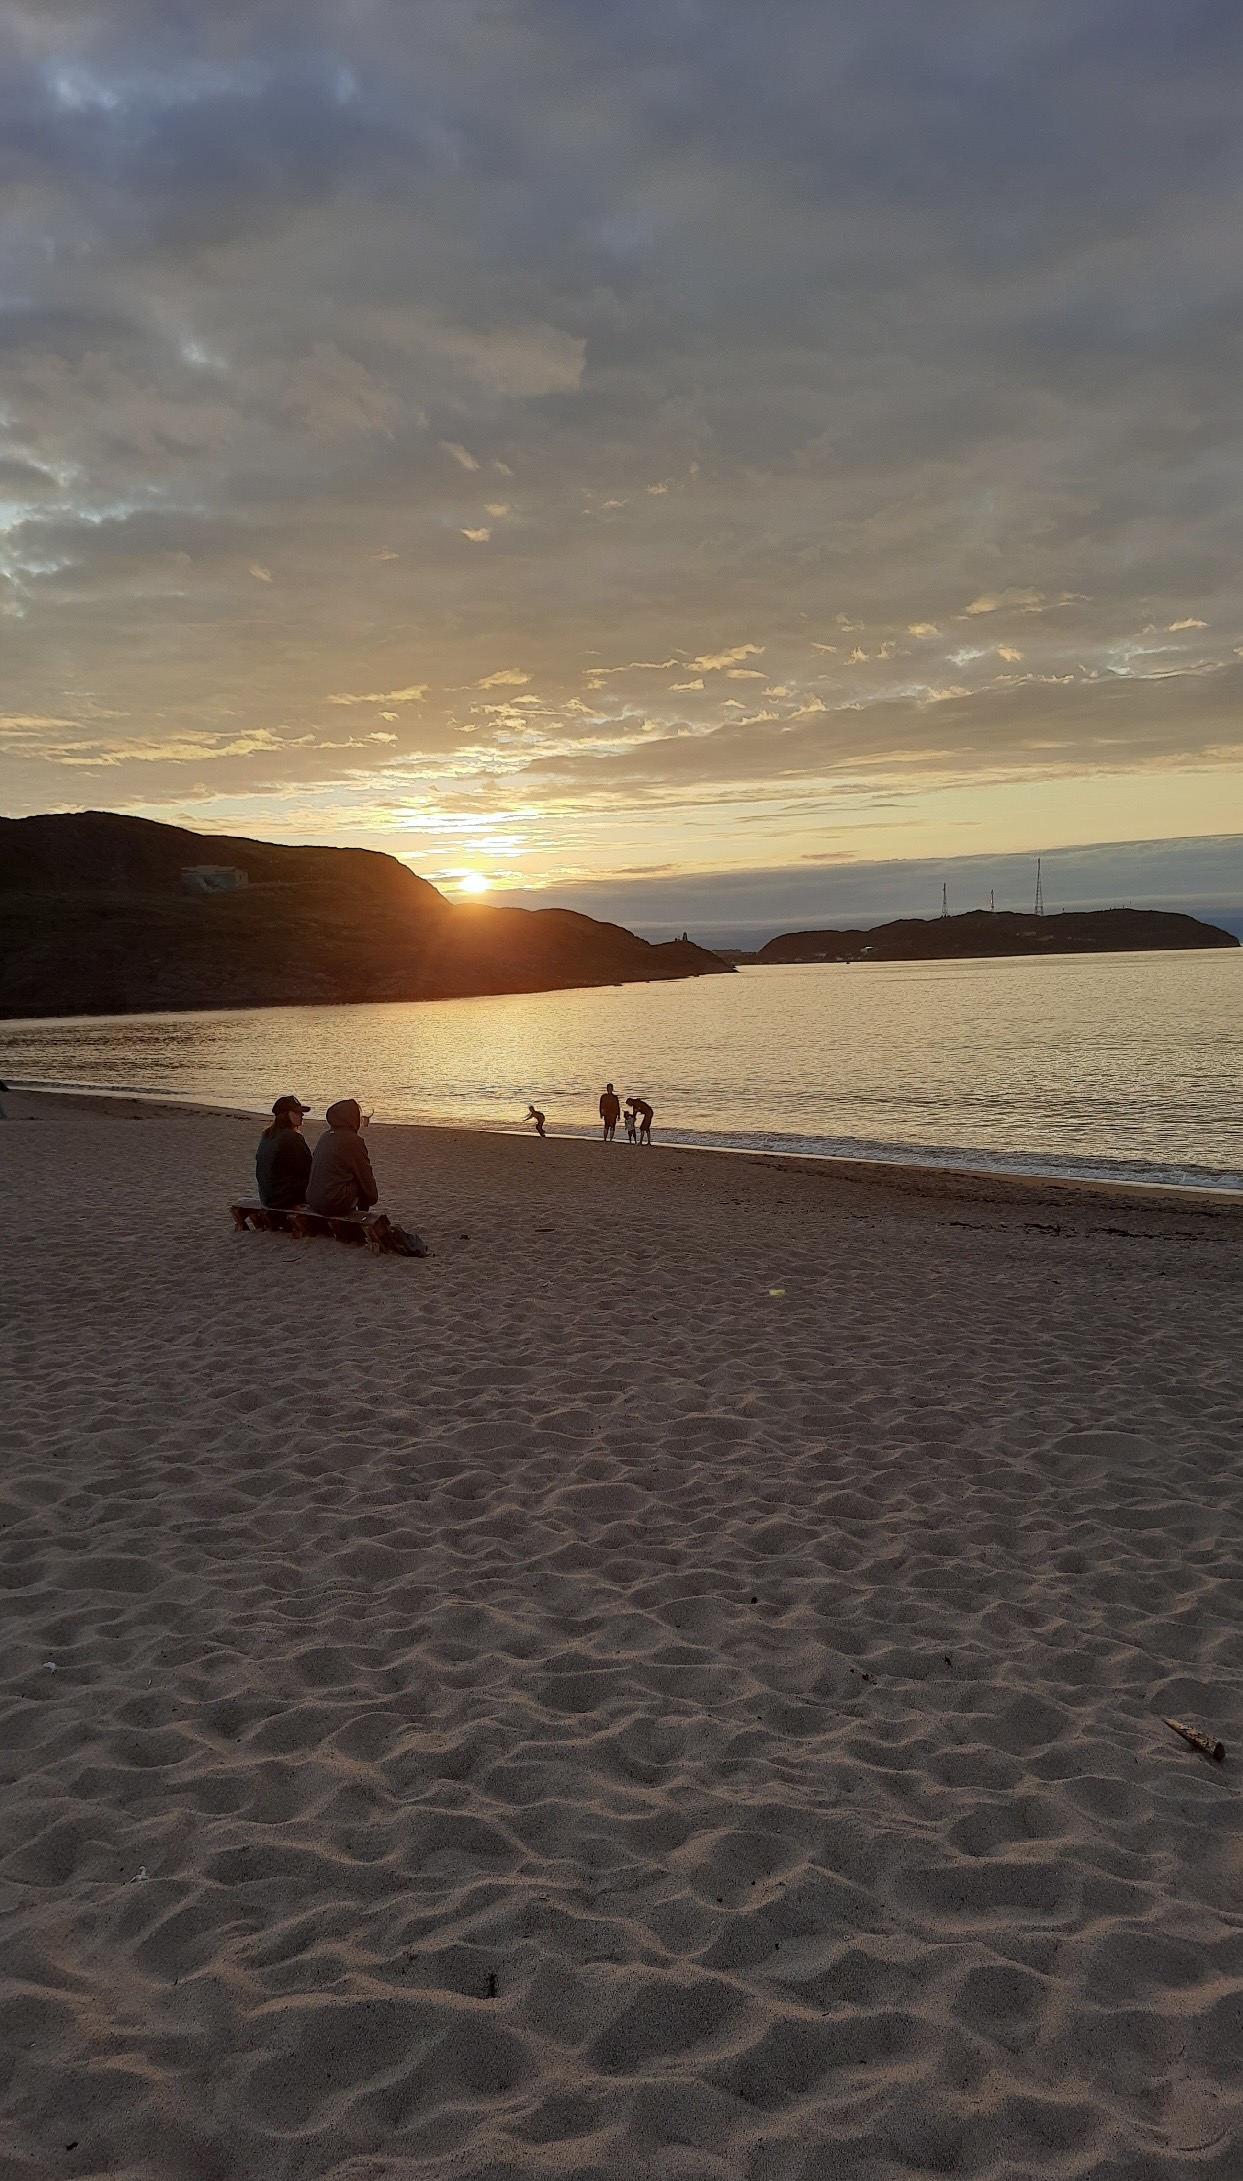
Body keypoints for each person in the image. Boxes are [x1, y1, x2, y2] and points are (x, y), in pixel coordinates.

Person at [306, 1097, 379, 1215]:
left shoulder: (324, 1136)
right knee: (359, 1182)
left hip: (313, 1199)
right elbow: (365, 1175)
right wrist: (372, 1197)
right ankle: (360, 1218)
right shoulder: (353, 1141)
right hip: (332, 1203)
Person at [255, 1096, 313, 1208]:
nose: (302, 1115)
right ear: (286, 1114)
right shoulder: (292, 1138)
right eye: (297, 1112)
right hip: (284, 1199)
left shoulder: (267, 1135)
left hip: (267, 1197)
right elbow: (309, 1169)